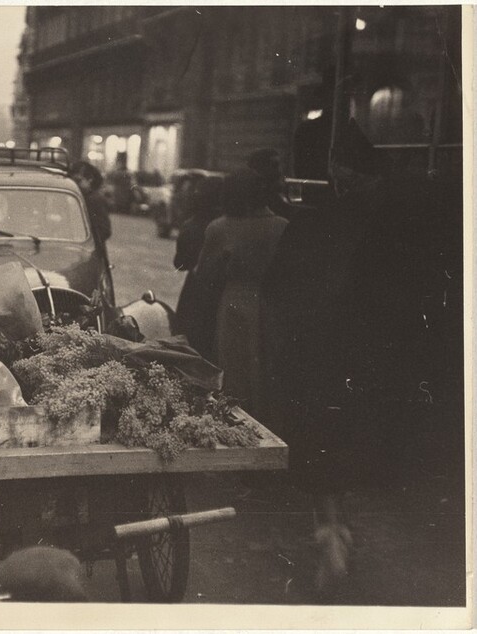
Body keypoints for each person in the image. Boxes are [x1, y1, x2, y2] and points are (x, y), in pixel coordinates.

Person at [261, 118, 462, 594]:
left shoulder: (315, 223)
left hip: (322, 357)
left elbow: (278, 291)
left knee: (321, 448)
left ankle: (331, 532)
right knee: (358, 442)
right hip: (379, 360)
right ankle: (338, 528)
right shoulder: (414, 219)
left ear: (338, 170)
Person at [177, 168, 288, 416]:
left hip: (235, 302)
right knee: (267, 364)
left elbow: (205, 274)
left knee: (235, 365)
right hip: (272, 303)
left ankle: (238, 416)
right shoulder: (282, 226)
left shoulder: (221, 227)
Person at [69, 160, 112, 244]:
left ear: (90, 180)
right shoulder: (77, 196)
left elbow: (104, 230)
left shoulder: (95, 200)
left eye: (78, 181)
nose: (74, 185)